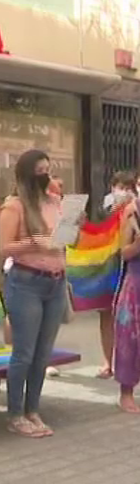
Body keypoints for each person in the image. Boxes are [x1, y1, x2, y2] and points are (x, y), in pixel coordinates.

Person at [0, 149, 66, 438]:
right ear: (27, 174)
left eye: (47, 169)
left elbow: (63, 239)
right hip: (26, 281)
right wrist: (33, 242)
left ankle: (32, 409)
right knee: (24, 352)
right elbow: (5, 247)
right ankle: (15, 413)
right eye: (39, 170)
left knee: (42, 353)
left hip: (56, 281)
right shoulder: (14, 206)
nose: (45, 175)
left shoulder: (55, 202)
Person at [97, 171, 136, 379]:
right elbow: (98, 228)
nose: (123, 191)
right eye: (119, 186)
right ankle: (107, 361)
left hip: (129, 267)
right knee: (106, 312)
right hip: (108, 265)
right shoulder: (107, 206)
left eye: (128, 187)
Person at [114, 193, 140, 413]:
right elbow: (124, 253)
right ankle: (126, 393)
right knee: (129, 338)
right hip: (136, 285)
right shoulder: (132, 212)